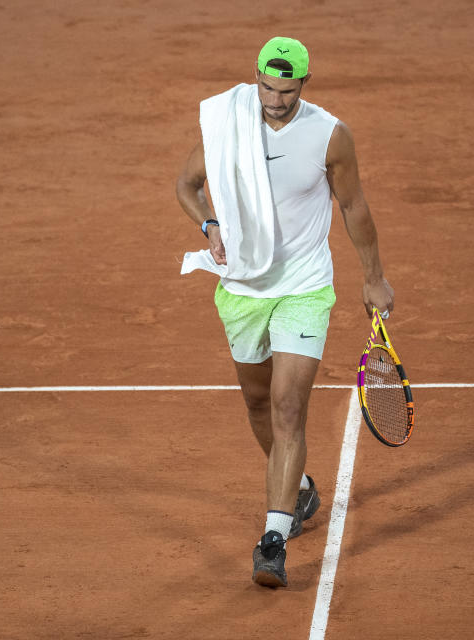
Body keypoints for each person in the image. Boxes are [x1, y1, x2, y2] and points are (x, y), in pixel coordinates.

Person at [175, 36, 394, 588]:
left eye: (286, 90)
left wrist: (373, 276)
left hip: (304, 286)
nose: (274, 99)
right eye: (266, 87)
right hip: (244, 286)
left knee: (287, 405)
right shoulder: (230, 120)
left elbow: (353, 206)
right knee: (256, 401)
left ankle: (273, 538)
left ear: (305, 83)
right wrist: (210, 225)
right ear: (256, 78)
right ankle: (297, 489)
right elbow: (187, 185)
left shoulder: (328, 135)